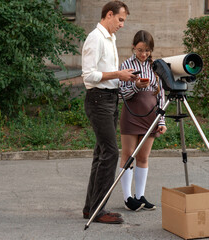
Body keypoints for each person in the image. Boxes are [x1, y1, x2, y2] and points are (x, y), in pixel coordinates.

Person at [81, 1, 138, 224]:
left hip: (109, 99)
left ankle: (90, 208)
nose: (122, 25)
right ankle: (98, 210)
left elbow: (107, 74)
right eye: (121, 20)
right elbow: (89, 75)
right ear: (109, 15)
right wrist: (117, 74)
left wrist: (125, 77)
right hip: (98, 100)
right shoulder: (95, 38)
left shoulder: (109, 38)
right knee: (111, 153)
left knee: (101, 153)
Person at [119, 30, 167, 211]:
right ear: (133, 47)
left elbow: (161, 94)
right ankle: (127, 197)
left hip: (151, 115)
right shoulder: (126, 65)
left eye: (147, 50)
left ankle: (140, 196)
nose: (143, 54)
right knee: (128, 154)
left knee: (143, 156)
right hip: (131, 113)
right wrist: (136, 86)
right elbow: (122, 93)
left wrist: (161, 121)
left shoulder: (156, 66)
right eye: (140, 50)